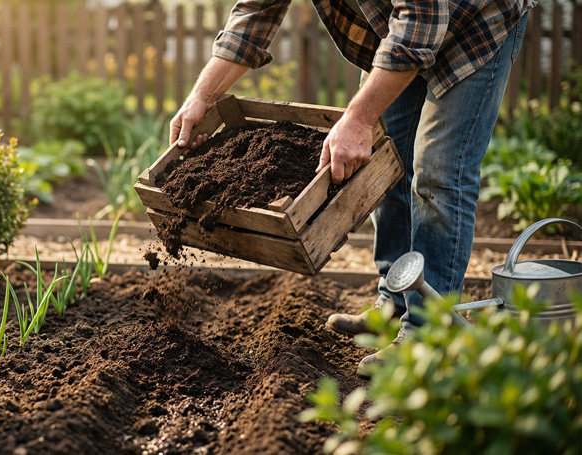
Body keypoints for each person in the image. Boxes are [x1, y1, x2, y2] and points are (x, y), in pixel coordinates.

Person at [170, 0, 532, 376]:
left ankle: (428, 331)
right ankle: (393, 302)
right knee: (382, 160)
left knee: (438, 173)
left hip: (474, 22)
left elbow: (423, 19)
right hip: (407, 29)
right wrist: (203, 96)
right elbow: (256, 9)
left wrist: (358, 117)